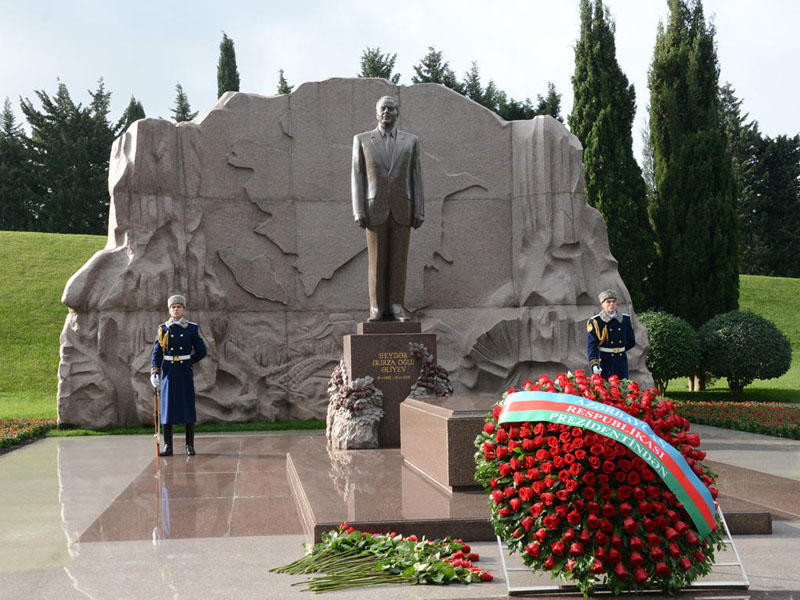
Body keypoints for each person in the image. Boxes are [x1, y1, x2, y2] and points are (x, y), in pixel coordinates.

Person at [351, 95, 424, 321]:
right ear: (376, 113)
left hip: (403, 208)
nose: (387, 112)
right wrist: (358, 210)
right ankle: (376, 308)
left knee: (398, 261)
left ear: (397, 114)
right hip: (374, 210)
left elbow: (416, 176)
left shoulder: (410, 141)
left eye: (391, 109)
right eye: (383, 109)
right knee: (377, 262)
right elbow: (357, 176)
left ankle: (396, 306)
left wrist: (419, 209)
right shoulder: (362, 140)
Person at [150, 294, 207, 456]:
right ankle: (168, 446)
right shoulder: (163, 329)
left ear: (184, 310)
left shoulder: (191, 328)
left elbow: (202, 351)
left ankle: (189, 444)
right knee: (167, 408)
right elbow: (157, 352)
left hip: (184, 371)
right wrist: (155, 371)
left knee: (188, 407)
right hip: (169, 371)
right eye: (173, 307)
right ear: (169, 310)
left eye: (179, 306)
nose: (176, 309)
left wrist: (189, 361)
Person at [586, 289, 636, 380]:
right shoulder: (596, 321)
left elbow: (631, 341)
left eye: (613, 301)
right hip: (605, 361)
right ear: (602, 304)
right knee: (606, 390)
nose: (611, 304)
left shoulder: (625, 319)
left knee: (621, 389)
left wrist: (619, 349)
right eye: (608, 302)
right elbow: (592, 345)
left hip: (621, 361)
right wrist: (594, 363)